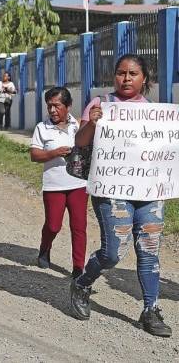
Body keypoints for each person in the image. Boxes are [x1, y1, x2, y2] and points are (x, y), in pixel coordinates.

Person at [70, 54, 172, 337]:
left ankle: (150, 310)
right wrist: (91, 122)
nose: (126, 79)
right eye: (121, 73)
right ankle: (83, 281)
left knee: (149, 251)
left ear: (144, 79)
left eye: (133, 74)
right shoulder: (101, 104)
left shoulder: (154, 111)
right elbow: (79, 142)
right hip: (111, 191)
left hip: (149, 191)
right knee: (113, 252)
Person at [30, 87, 87, 279]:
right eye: (49, 106)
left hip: (78, 184)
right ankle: (45, 248)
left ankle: (78, 267)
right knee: (53, 225)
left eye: (57, 105)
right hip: (54, 185)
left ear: (68, 106)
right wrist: (54, 153)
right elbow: (34, 156)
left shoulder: (78, 125)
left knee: (79, 226)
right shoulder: (42, 127)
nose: (53, 110)